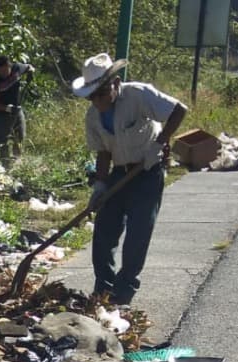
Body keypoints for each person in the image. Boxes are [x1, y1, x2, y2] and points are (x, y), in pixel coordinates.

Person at [72, 53, 187, 305]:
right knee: (104, 231)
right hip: (118, 174)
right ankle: (103, 289)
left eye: (102, 94)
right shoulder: (93, 117)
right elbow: (103, 153)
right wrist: (100, 185)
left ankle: (124, 291)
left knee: (138, 234)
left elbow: (179, 111)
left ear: (115, 83)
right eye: (92, 97)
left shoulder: (138, 95)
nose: (98, 101)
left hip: (147, 172)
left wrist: (159, 144)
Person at [0, 56, 34, 167]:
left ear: (10, 66)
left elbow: (29, 67)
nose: (2, 73)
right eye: (0, 71)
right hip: (2, 114)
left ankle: (16, 162)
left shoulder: (17, 68)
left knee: (19, 137)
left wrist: (31, 72)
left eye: (5, 70)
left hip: (17, 110)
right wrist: (8, 108)